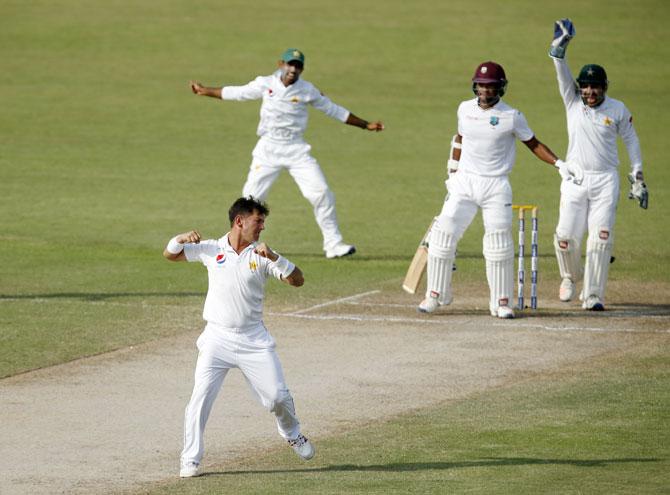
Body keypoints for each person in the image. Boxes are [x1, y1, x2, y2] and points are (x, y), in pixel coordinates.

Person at [163, 196, 314, 478]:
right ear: (239, 221)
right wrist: (179, 238)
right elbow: (171, 254)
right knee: (200, 399)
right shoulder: (211, 249)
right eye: (258, 221)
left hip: (253, 340)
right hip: (216, 338)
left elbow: (298, 280)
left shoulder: (263, 255)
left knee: (277, 398)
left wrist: (276, 258)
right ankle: (190, 459)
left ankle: (291, 433)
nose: (262, 228)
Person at [190, 48, 384, 259]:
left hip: (296, 149)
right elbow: (238, 92)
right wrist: (204, 91)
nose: (293, 69)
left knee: (321, 192)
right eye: (290, 64)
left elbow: (334, 110)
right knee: (249, 199)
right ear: (281, 64)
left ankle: (334, 244)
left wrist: (366, 125)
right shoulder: (266, 83)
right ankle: (239, 244)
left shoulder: (307, 90)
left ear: (302, 69)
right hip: (268, 149)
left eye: (298, 66)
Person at [418, 61, 577, 319]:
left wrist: (558, 163)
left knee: (498, 243)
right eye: (481, 85)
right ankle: (435, 295)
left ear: (500, 88)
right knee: (443, 234)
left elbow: (533, 143)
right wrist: (452, 170)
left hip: (496, 185)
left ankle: (501, 301)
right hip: (465, 182)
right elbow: (459, 139)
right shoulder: (464, 109)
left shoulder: (511, 116)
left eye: (490, 87)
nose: (484, 90)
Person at [548, 19, 648, 311]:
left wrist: (637, 175)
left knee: (600, 241)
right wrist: (561, 45)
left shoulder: (617, 109)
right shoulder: (572, 101)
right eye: (586, 86)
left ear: (604, 88)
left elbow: (631, 140)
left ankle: (593, 296)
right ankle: (569, 278)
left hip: (605, 181)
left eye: (595, 87)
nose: (590, 91)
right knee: (565, 238)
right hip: (576, 179)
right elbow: (558, 65)